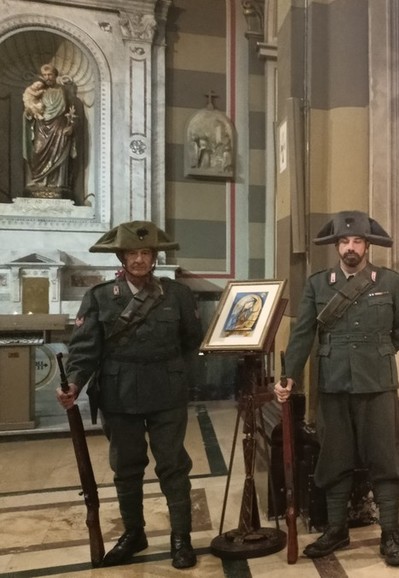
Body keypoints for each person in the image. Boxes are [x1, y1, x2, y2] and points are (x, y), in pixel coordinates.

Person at [57, 221, 202, 569]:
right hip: (119, 393)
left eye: (146, 252)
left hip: (167, 392)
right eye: (133, 253)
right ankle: (134, 533)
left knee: (173, 465)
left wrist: (181, 377)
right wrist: (74, 383)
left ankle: (181, 537)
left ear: (154, 257)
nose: (139, 259)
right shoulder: (99, 297)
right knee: (126, 467)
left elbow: (192, 341)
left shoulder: (177, 295)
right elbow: (85, 349)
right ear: (122, 257)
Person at [276, 211, 399, 566]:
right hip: (334, 381)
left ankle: (390, 533)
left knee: (384, 458)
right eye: (343, 242)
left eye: (356, 241)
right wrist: (290, 374)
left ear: (367, 246)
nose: (350, 247)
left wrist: (380, 352)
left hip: (377, 383)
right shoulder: (318, 284)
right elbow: (303, 333)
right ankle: (336, 529)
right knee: (334, 456)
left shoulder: (391, 282)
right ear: (336, 246)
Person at [23, 64, 77, 198]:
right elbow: (30, 108)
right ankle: (39, 181)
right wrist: (29, 113)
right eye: (45, 75)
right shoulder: (38, 91)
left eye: (50, 75)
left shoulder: (64, 91)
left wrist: (72, 126)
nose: (47, 78)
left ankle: (58, 184)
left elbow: (73, 111)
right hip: (41, 127)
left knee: (59, 153)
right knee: (37, 151)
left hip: (59, 127)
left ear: (55, 75)